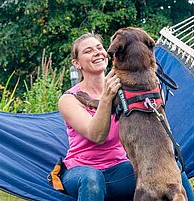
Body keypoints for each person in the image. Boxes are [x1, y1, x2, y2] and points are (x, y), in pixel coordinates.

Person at [58, 33, 136, 201]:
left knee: (167, 169)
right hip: (81, 172)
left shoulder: (123, 92)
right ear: (76, 63)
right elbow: (97, 136)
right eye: (88, 51)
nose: (97, 52)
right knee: (92, 178)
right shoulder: (69, 100)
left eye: (99, 48)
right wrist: (107, 98)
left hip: (117, 170)